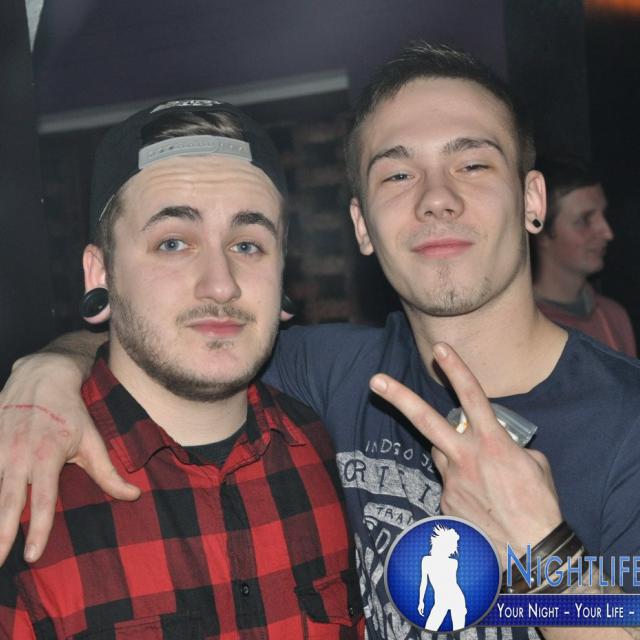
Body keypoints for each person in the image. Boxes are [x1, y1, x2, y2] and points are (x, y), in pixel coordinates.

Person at [2, 43, 640, 640]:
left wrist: (542, 552)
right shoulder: (330, 375)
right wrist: (50, 369)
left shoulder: (626, 425)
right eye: (397, 175)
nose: (437, 199)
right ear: (361, 225)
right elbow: (174, 338)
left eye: (472, 164)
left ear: (532, 200)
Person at [0, 100, 363, 638]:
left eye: (248, 245)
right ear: (100, 273)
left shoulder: (337, 455)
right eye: (173, 243)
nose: (221, 284)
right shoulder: (21, 490)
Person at [532, 157, 636, 356]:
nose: (607, 233)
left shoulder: (613, 316)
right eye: (584, 220)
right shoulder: (522, 326)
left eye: (603, 215)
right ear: (541, 232)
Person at [417, 525, 466, 631]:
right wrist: (421, 601)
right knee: (429, 629)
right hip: (440, 601)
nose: (453, 549)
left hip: (456, 599)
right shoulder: (426, 560)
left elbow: (452, 584)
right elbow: (423, 582)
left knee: (459, 632)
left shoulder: (453, 563)